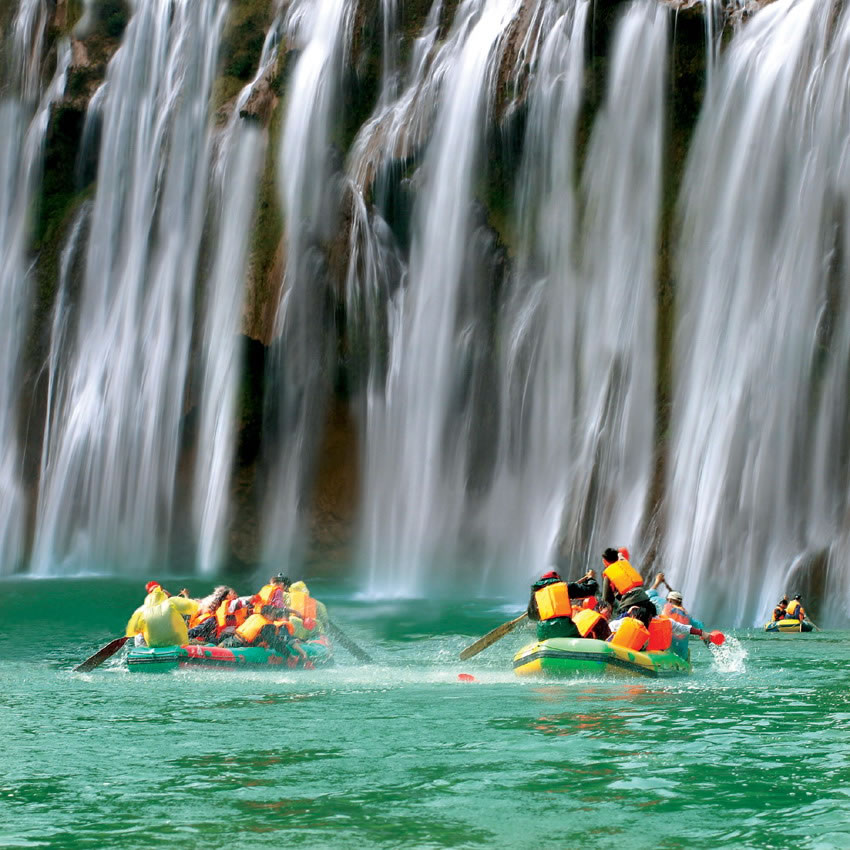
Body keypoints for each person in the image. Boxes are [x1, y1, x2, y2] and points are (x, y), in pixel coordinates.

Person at [527, 567, 599, 640]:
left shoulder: (536, 594)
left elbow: (532, 615)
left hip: (543, 631)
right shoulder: (565, 587)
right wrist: (590, 578)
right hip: (564, 628)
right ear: (557, 579)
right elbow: (591, 589)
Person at [126, 582, 199, 647]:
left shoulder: (142, 610)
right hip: (178, 643)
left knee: (139, 633)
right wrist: (185, 596)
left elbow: (133, 630)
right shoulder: (172, 602)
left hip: (154, 645)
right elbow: (193, 608)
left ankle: (142, 650)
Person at [601, 548, 656, 627]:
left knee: (623, 628)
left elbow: (607, 599)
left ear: (604, 561)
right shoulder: (625, 564)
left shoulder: (609, 574)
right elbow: (621, 556)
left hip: (629, 603)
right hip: (644, 599)